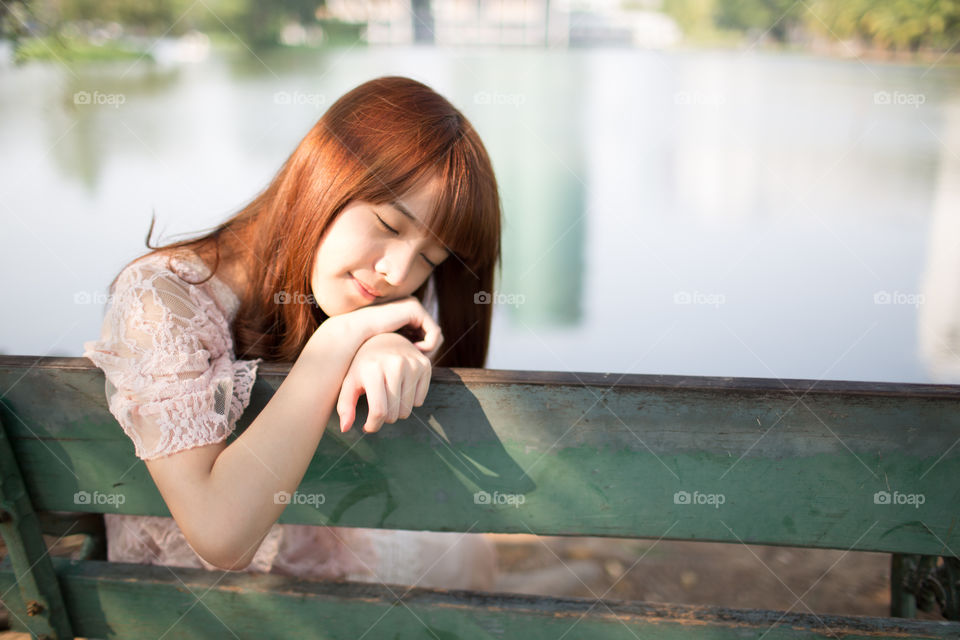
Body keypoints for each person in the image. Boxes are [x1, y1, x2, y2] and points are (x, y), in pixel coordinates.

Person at [82, 75, 502, 590]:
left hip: (297, 574)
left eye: (429, 259)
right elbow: (220, 537)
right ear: (324, 179)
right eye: (390, 227)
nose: (397, 271)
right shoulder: (159, 299)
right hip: (190, 602)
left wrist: (379, 338)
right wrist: (337, 344)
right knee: (467, 559)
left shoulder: (331, 291)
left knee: (470, 556)